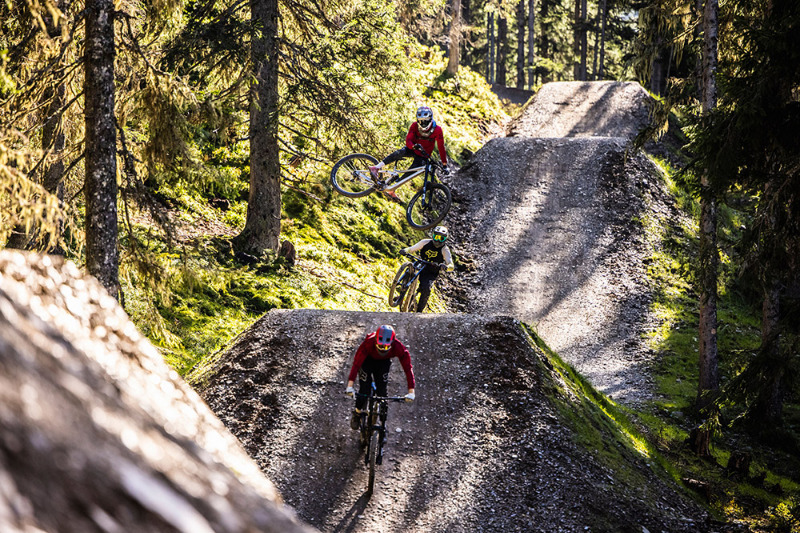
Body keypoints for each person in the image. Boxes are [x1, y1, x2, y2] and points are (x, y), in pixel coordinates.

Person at [370, 106, 449, 202]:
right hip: (413, 148)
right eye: (420, 121)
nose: (423, 123)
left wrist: (444, 164)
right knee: (400, 152)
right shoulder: (414, 125)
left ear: (430, 119)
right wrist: (413, 146)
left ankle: (392, 189)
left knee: (411, 173)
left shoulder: (437, 130)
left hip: (423, 155)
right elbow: (408, 140)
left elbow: (441, 147)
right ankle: (376, 167)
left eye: (425, 121)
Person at [345, 324, 415, 430]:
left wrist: (411, 391)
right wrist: (350, 386)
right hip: (367, 361)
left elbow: (408, 368)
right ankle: (357, 412)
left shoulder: (398, 347)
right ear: (375, 342)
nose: (383, 349)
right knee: (364, 390)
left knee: (382, 393)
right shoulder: (368, 344)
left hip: (383, 363)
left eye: (386, 347)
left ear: (392, 343)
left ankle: (383, 421)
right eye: (380, 346)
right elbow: (356, 364)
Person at [402, 225, 454, 312]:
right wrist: (405, 250)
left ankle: (419, 311)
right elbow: (412, 248)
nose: (438, 240)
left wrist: (446, 267)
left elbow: (451, 265)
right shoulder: (425, 242)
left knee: (426, 288)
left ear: (445, 239)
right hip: (421, 263)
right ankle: (401, 293)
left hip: (431, 272)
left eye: (441, 238)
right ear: (433, 236)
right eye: (436, 237)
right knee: (408, 272)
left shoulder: (445, 250)